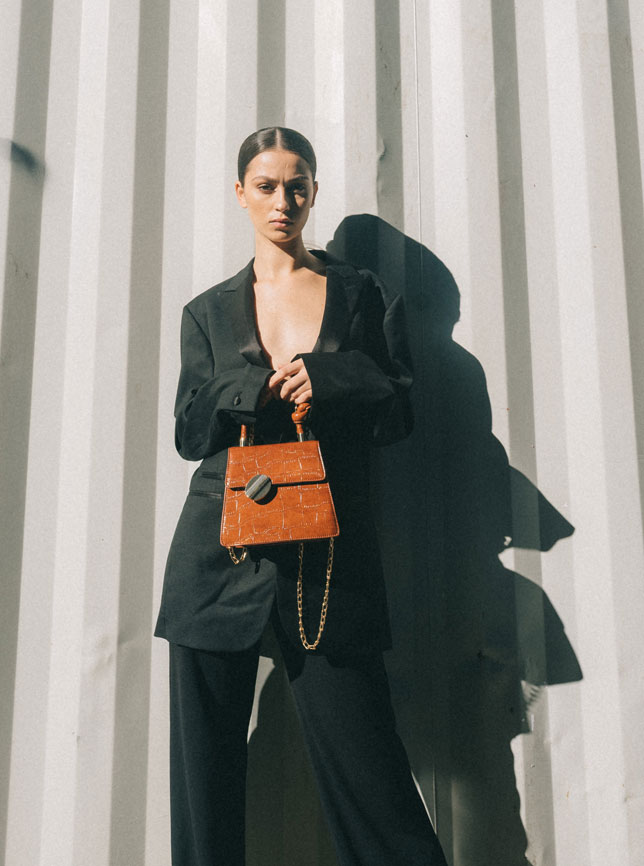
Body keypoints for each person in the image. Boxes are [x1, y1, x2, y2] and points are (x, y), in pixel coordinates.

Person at [155, 126, 448, 866]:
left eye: (298, 185)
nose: (283, 201)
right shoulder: (208, 311)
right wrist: (247, 386)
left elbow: (399, 410)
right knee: (204, 787)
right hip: (216, 559)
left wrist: (334, 378)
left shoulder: (361, 293)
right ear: (240, 194)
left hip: (324, 564)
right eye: (266, 186)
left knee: (371, 774)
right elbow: (190, 433)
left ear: (314, 192)